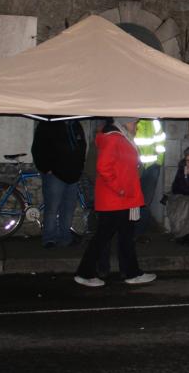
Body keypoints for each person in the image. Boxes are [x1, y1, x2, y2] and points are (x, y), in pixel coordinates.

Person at [74, 117, 156, 287]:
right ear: (125, 122)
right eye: (134, 123)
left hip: (122, 198)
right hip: (116, 199)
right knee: (104, 237)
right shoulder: (114, 138)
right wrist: (121, 188)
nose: (136, 126)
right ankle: (85, 273)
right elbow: (104, 167)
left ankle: (131, 272)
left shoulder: (120, 137)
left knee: (124, 237)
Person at [31, 118, 87, 248]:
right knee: (52, 208)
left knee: (68, 209)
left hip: (73, 174)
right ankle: (49, 239)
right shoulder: (48, 124)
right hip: (55, 175)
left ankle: (65, 237)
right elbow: (38, 148)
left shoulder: (75, 125)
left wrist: (80, 167)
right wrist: (46, 168)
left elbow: (82, 146)